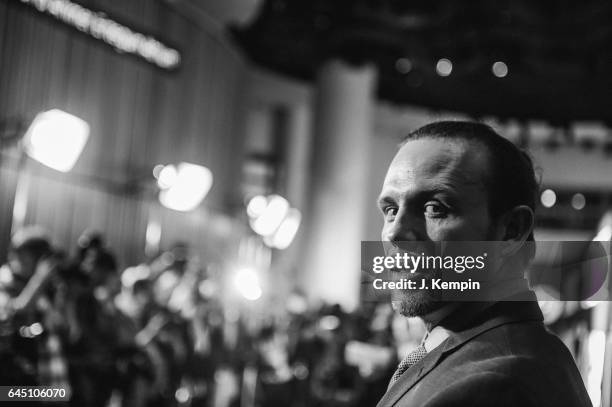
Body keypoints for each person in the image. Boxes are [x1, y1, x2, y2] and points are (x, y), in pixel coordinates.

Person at [375, 121, 592, 407]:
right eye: (390, 210)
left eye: (434, 208)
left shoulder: (494, 384)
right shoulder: (493, 352)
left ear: (511, 230)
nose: (394, 233)